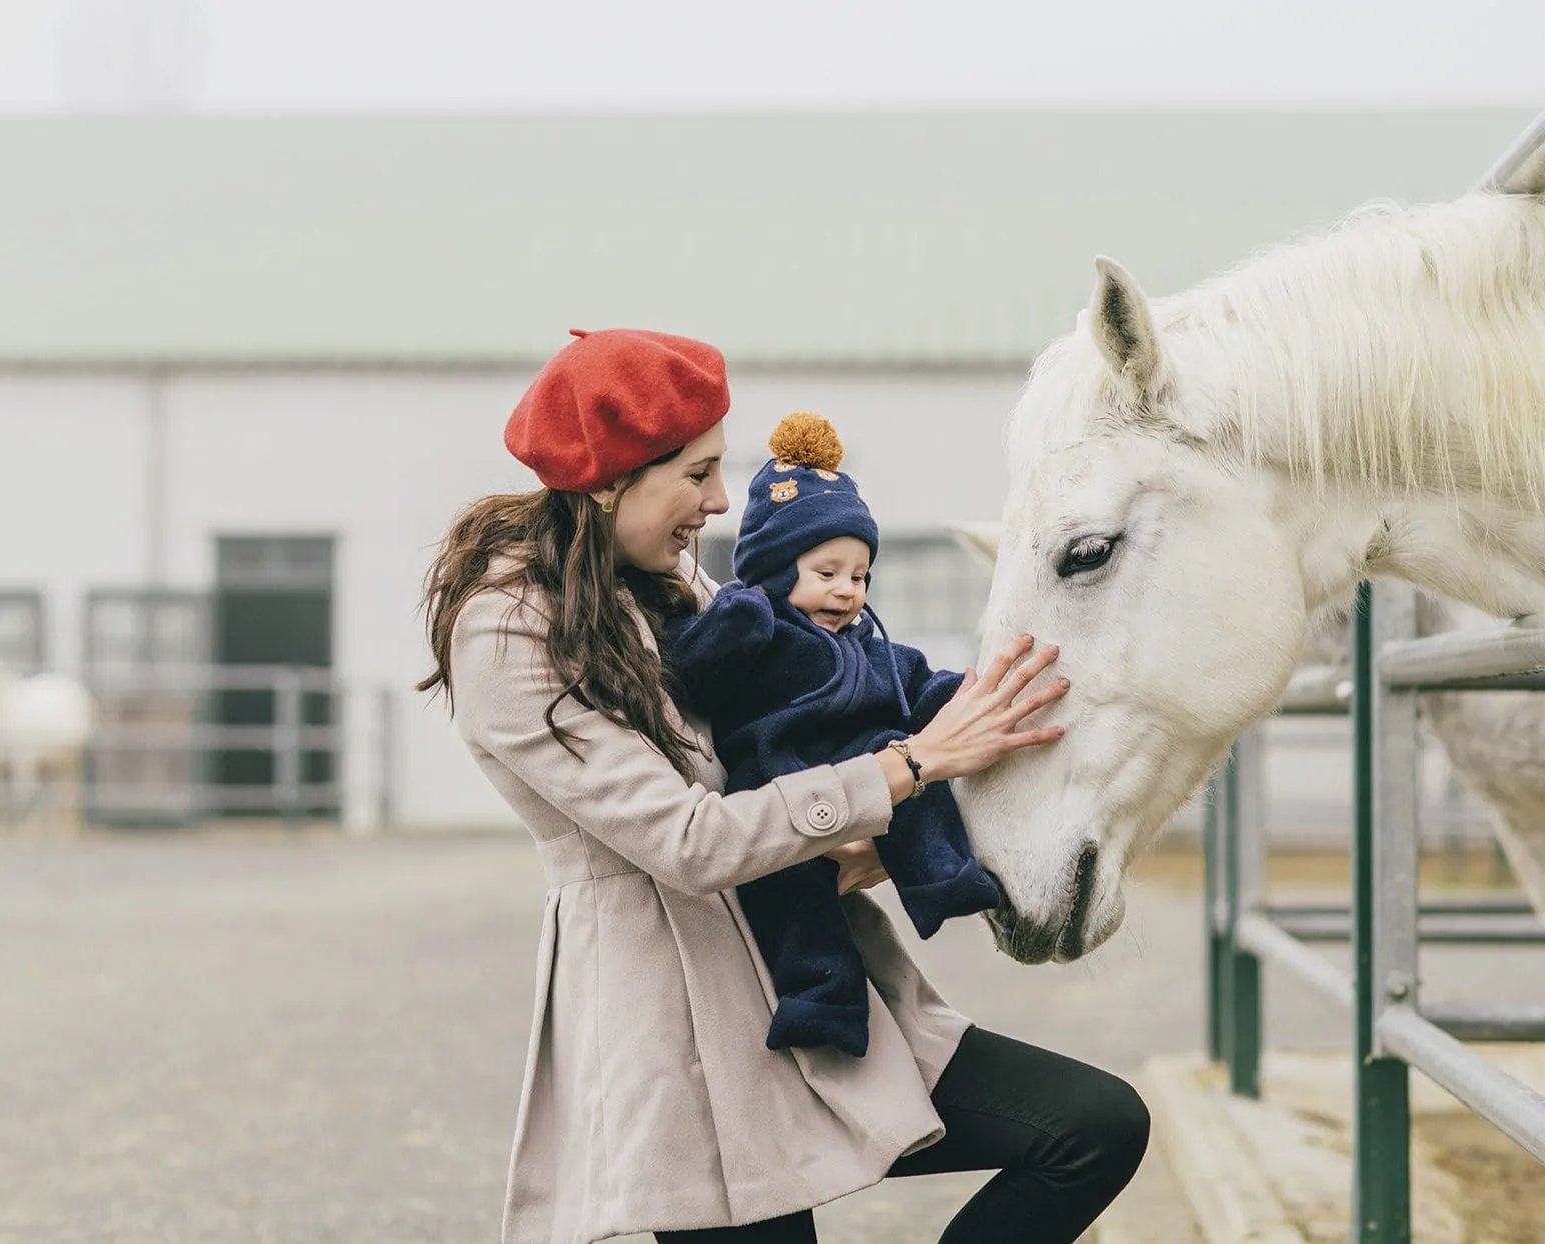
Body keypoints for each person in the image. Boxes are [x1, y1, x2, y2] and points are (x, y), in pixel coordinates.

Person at [418, 327, 1150, 1244]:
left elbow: (793, 735)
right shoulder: (509, 631)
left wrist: (908, 800)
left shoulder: (671, 582)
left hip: (812, 972)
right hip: (683, 1025)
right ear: (608, 478)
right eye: (696, 474)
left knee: (1089, 1126)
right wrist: (913, 764)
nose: (720, 502)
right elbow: (689, 843)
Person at [662, 410, 1002, 1060]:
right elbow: (691, 674)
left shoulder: (869, 647)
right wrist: (741, 608)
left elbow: (924, 686)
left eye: (859, 576)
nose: (846, 591)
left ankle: (947, 883)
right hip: (782, 786)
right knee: (796, 912)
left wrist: (982, 697)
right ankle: (821, 1007)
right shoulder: (758, 626)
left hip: (875, 773)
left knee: (925, 794)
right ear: (773, 568)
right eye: (826, 573)